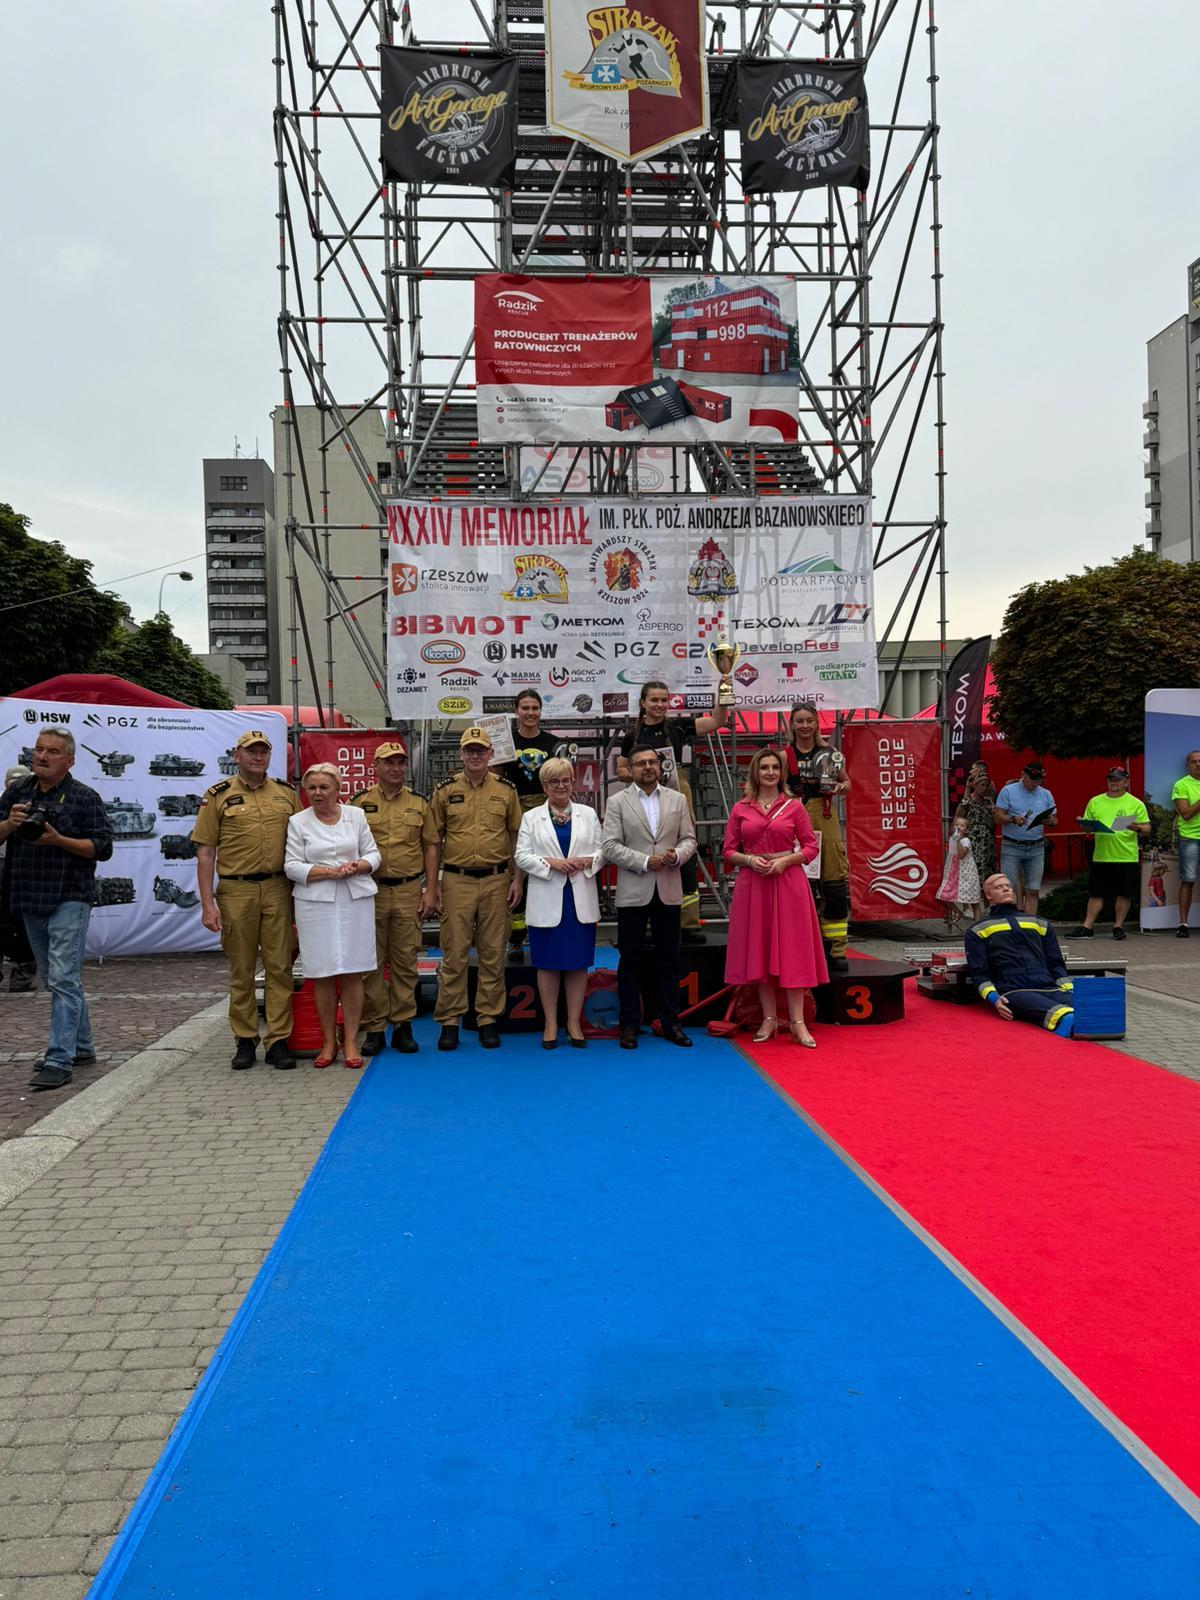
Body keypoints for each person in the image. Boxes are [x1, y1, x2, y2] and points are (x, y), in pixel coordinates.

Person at [0, 729, 113, 1089]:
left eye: (52, 751)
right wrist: (9, 823)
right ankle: (83, 1047)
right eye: (39, 749)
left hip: (69, 896)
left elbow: (103, 848)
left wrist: (59, 839)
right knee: (55, 978)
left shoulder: (84, 797)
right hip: (28, 896)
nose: (42, 756)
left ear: (69, 761)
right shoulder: (18, 792)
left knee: (63, 978)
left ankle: (58, 1058)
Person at [193, 729, 301, 1071]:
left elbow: (304, 840)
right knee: (241, 968)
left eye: (263, 751)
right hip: (236, 890)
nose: (257, 757)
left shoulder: (286, 794)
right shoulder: (218, 796)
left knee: (280, 967)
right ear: (236, 755)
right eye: (251, 751)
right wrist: (207, 904)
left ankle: (279, 1040)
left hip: (278, 888)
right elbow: (205, 852)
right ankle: (244, 1039)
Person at [722, 748, 825, 1047]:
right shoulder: (740, 808)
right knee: (760, 950)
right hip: (753, 883)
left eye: (775, 767)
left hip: (788, 883)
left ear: (782, 773)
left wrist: (786, 861)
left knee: (793, 951)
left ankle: (797, 1022)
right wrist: (749, 860)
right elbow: (728, 850)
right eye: (764, 767)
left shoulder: (795, 807)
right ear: (755, 772)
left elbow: (811, 847)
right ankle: (768, 1018)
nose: (770, 772)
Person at [431, 726, 524, 1051]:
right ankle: (450, 1020)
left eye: (480, 750)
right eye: (469, 750)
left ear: (490, 754)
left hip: (496, 879)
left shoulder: (506, 791)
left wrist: (517, 879)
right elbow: (433, 841)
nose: (475, 755)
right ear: (461, 754)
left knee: (492, 952)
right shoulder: (444, 791)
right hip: (456, 880)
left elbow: (516, 836)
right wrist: (434, 886)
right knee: (454, 952)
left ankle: (487, 1019)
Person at [617, 680, 729, 945]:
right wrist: (644, 773)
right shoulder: (631, 736)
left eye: (663, 700)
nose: (659, 705)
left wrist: (724, 694)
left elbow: (716, 721)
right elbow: (620, 770)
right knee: (646, 850)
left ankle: (688, 923)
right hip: (643, 794)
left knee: (685, 853)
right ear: (643, 703)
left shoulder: (678, 726)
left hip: (677, 791)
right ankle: (647, 920)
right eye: (654, 700)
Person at [601, 743, 697, 1050]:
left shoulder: (677, 799)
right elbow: (610, 846)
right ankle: (629, 1024)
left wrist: (677, 856)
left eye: (652, 762)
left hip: (668, 889)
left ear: (660, 765)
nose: (648, 767)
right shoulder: (617, 802)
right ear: (630, 770)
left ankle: (671, 1023)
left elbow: (689, 839)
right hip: (633, 890)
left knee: (669, 960)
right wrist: (644, 861)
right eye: (641, 763)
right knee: (630, 960)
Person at [286, 764, 381, 1068]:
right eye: (311, 787)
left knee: (353, 971)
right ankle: (329, 1042)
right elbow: (291, 865)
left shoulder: (357, 816)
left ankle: (351, 1040)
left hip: (355, 901)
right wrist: (328, 872)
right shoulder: (297, 822)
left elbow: (374, 854)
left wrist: (359, 866)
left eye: (324, 787)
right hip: (315, 904)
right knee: (323, 973)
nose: (317, 793)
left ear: (338, 789)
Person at [352, 739, 438, 1056]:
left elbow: (431, 846)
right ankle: (375, 1028)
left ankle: (403, 1025)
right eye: (388, 762)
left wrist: (431, 890)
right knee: (371, 962)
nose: (395, 767)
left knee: (405, 960)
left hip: (407, 890)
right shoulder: (358, 803)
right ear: (375, 766)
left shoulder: (419, 803)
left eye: (400, 762)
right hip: (369, 890)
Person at [514, 757, 603, 1049]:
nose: (561, 786)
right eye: (554, 781)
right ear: (544, 786)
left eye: (566, 780)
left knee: (578, 964)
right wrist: (549, 863)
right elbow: (521, 856)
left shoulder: (589, 814)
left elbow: (603, 851)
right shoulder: (531, 817)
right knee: (548, 964)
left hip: (579, 900)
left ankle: (574, 1022)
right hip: (546, 899)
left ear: (573, 783)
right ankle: (551, 1023)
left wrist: (586, 861)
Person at [780, 702, 851, 972]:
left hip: (826, 817)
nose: (805, 726)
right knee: (800, 889)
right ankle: (805, 947)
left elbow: (848, 782)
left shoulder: (831, 753)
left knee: (834, 886)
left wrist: (840, 787)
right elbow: (773, 787)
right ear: (792, 724)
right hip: (794, 821)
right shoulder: (784, 756)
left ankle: (836, 948)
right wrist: (789, 797)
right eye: (799, 721)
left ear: (816, 723)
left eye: (809, 720)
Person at [498, 690, 565, 963]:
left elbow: (562, 778)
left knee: (547, 867)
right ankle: (515, 937)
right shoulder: (505, 741)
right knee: (516, 870)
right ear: (516, 710)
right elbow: (496, 779)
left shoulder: (553, 743)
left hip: (545, 810)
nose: (530, 712)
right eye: (525, 707)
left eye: (535, 707)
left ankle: (549, 931)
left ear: (541, 711)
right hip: (513, 809)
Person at [964, 873, 1076, 1036]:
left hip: (1049, 987)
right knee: (1064, 1015)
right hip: (1014, 991)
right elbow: (979, 973)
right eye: (999, 887)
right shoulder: (977, 930)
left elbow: (1056, 963)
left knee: (1092, 1009)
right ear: (988, 895)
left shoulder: (1040, 922)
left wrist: (1070, 990)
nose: (1006, 889)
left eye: (1008, 886)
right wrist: (994, 999)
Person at [1070, 766, 1151, 941]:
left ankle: (1118, 926)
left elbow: (1147, 828)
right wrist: (1085, 826)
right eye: (1111, 779)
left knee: (1124, 893)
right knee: (1096, 893)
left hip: (1126, 856)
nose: (1114, 782)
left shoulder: (1136, 803)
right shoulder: (1095, 801)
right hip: (1102, 855)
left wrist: (1137, 827)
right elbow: (1088, 828)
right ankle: (1087, 927)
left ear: (1126, 782)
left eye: (1118, 779)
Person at [994, 761, 1056, 913]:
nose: (1035, 783)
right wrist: (1012, 819)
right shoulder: (1008, 791)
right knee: (1007, 889)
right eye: (1032, 779)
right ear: (1023, 775)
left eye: (1038, 780)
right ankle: (1009, 922)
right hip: (1012, 845)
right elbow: (998, 817)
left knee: (1033, 890)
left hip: (1036, 847)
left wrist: (1050, 821)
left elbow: (1055, 820)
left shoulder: (1046, 794)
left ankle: (1030, 923)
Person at [0, 763, 37, 993]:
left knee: (22, 926)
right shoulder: (3, 807)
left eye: (18, 782)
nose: (13, 786)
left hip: (22, 873)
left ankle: (23, 974)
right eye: (10, 782)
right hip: (2, 868)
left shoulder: (36, 806)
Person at [1172, 749, 1200, 938]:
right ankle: (1183, 924)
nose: (1198, 764)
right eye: (1194, 761)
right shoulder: (1181, 785)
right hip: (1190, 838)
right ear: (1187, 765)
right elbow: (1186, 814)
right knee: (1188, 881)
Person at [937, 814, 982, 925]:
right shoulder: (951, 838)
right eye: (956, 824)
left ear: (966, 829)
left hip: (967, 873)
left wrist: (958, 841)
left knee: (974, 901)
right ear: (952, 827)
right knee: (943, 895)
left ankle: (978, 927)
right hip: (953, 872)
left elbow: (961, 855)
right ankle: (958, 912)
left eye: (962, 825)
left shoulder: (966, 840)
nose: (958, 827)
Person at [955, 761, 996, 882]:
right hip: (973, 842)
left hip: (988, 842)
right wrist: (959, 841)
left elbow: (994, 819)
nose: (984, 788)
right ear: (975, 785)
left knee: (989, 874)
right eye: (982, 785)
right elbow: (958, 819)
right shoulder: (967, 801)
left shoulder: (989, 802)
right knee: (974, 875)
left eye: (986, 785)